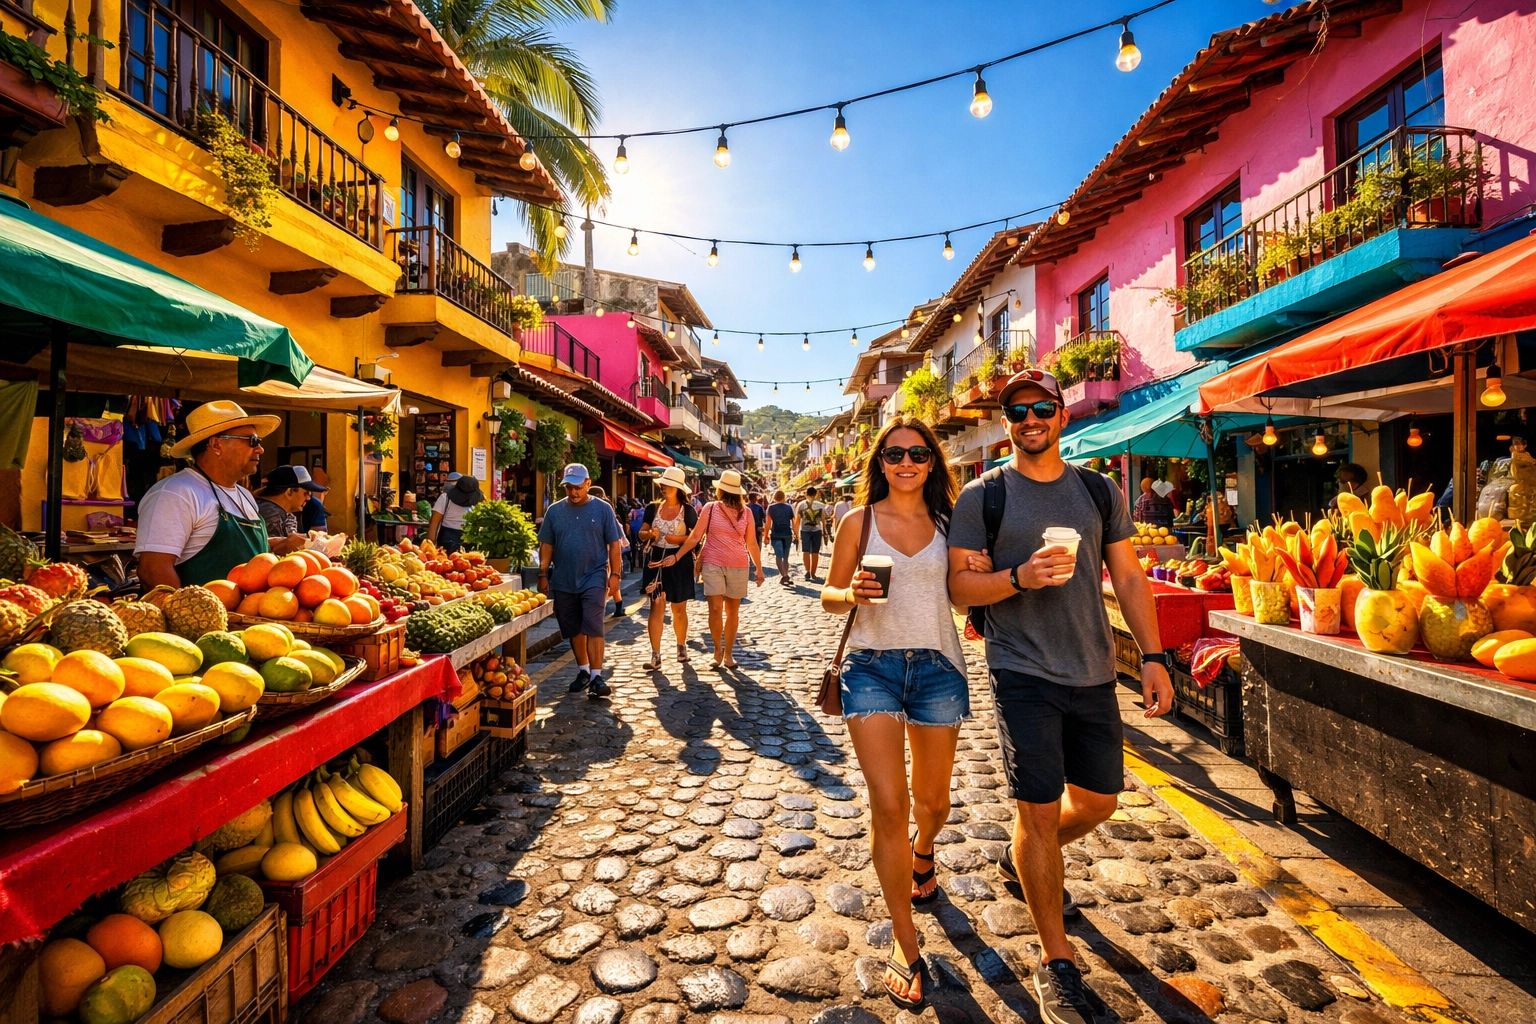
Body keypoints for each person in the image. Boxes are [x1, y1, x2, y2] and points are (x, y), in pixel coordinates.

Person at [948, 369, 1172, 1024]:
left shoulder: (1100, 492)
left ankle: (1025, 861)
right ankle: (1057, 960)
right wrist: (1018, 576)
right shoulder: (982, 498)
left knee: (1100, 803)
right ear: (1007, 421)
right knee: (1038, 815)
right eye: (1017, 410)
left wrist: (1153, 659)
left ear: (1061, 416)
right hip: (1021, 671)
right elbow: (962, 590)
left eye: (1041, 407)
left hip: (1096, 670)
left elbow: (1129, 577)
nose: (1029, 418)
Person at [819, 415, 967, 1010]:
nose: (906, 463)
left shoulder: (951, 523)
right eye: (895, 454)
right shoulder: (858, 521)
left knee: (933, 804)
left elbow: (961, 593)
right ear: (879, 462)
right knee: (888, 805)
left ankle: (924, 852)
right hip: (870, 668)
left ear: (933, 462)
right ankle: (907, 949)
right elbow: (830, 598)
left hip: (937, 668)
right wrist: (850, 591)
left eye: (918, 454)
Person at [136, 400, 281, 588]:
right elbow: (152, 569)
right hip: (197, 616)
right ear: (215, 445)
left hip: (250, 616)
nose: (260, 449)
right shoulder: (175, 493)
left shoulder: (245, 496)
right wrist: (187, 613)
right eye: (251, 441)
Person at [538, 463, 624, 698]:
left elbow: (614, 544)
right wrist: (543, 573)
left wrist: (615, 574)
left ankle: (597, 676)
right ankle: (583, 671)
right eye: (568, 488)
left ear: (588, 484)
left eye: (577, 487)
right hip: (564, 578)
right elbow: (546, 544)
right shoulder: (554, 511)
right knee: (573, 626)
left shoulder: (603, 509)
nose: (573, 492)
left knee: (593, 623)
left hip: (594, 575)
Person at [665, 469, 764, 668]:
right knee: (715, 608)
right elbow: (695, 537)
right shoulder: (710, 508)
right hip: (712, 562)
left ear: (721, 490)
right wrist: (677, 556)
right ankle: (717, 650)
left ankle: (728, 653)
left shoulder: (747, 513)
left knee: (732, 611)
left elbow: (751, 543)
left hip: (738, 564)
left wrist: (759, 569)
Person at [639, 466, 698, 670]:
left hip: (679, 561)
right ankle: (655, 654)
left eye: (669, 485)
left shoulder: (688, 511)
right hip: (656, 560)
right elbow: (642, 532)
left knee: (679, 608)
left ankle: (681, 645)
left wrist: (678, 539)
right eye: (663, 484)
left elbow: (695, 539)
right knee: (656, 606)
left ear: (678, 488)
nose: (665, 488)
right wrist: (649, 535)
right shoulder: (652, 508)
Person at [256, 465, 326, 555]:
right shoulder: (272, 513)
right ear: (290, 491)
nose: (309, 498)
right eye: (306, 493)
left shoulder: (277, 511)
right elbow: (272, 555)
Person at [427, 473, 482, 553]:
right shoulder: (445, 498)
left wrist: (430, 544)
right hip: (452, 542)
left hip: (453, 540)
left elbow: (434, 523)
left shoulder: (445, 498)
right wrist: (430, 546)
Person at [795, 485, 829, 581]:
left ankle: (807, 571)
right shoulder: (820, 505)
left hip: (805, 530)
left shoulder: (801, 505)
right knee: (815, 552)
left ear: (806, 494)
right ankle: (813, 573)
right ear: (816, 494)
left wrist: (796, 533)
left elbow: (797, 520)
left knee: (806, 551)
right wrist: (825, 531)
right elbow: (823, 519)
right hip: (817, 530)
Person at [766, 489, 796, 586]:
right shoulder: (789, 508)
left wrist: (766, 535)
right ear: (784, 497)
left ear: (774, 497)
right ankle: (785, 574)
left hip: (776, 534)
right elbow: (793, 522)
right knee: (785, 557)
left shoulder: (771, 508)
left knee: (779, 556)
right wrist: (796, 533)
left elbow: (768, 523)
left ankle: (784, 575)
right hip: (787, 533)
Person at [300, 464, 329, 532]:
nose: (308, 498)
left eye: (310, 493)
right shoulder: (274, 512)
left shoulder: (314, 505)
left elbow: (320, 537)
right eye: (305, 493)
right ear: (289, 492)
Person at [628, 499, 648, 574]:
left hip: (634, 530)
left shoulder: (632, 511)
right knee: (640, 547)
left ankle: (635, 565)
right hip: (640, 530)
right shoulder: (643, 510)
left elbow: (629, 518)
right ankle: (640, 564)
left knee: (634, 548)